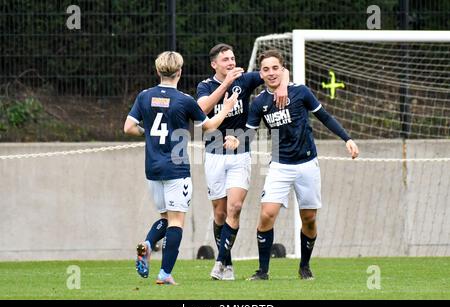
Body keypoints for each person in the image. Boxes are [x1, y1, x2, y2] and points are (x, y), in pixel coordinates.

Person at [123, 51, 239, 285]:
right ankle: (165, 274)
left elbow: (128, 127)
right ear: (180, 72)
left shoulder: (144, 96)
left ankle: (147, 244)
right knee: (176, 222)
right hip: (176, 169)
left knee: (166, 218)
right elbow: (209, 127)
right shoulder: (184, 100)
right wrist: (226, 108)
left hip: (153, 168)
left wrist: (146, 134)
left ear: (158, 71)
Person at [245, 50, 359, 281]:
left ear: (283, 69)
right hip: (279, 164)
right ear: (261, 73)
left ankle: (304, 266)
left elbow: (325, 116)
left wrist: (347, 139)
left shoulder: (301, 92)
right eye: (266, 69)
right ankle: (262, 271)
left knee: (309, 218)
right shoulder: (259, 103)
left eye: (275, 68)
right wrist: (236, 138)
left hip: (307, 164)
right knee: (267, 214)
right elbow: (249, 131)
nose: (271, 73)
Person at [196, 43, 290, 280]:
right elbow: (203, 109)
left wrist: (284, 86)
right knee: (219, 214)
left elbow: (276, 71)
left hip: (241, 154)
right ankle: (226, 264)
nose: (230, 63)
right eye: (225, 59)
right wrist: (226, 84)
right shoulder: (204, 86)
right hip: (214, 155)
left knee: (234, 208)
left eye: (233, 58)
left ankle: (218, 263)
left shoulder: (245, 80)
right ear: (214, 64)